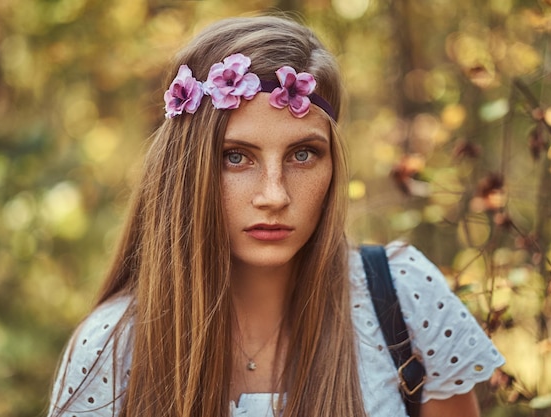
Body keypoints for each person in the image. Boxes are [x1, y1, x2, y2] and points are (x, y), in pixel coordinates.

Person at [46, 15, 504, 417]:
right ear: (186, 170)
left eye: (303, 154)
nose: (274, 195)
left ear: (332, 165)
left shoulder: (403, 299)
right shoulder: (112, 347)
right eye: (236, 157)